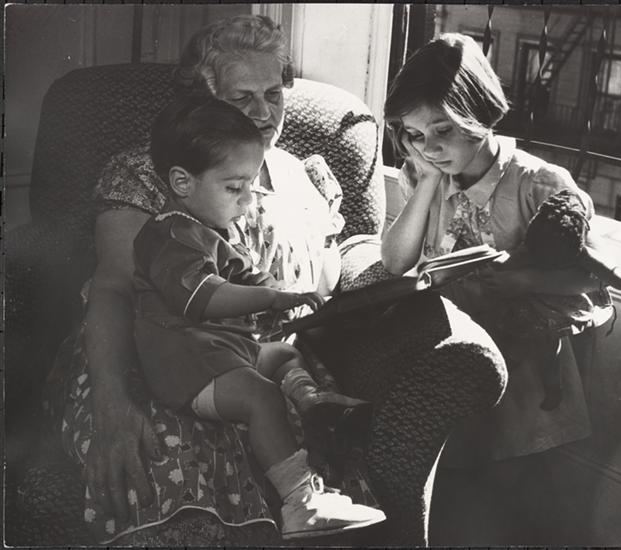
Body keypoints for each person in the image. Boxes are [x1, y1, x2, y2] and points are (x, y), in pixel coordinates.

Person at [56, 15, 380, 544]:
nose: (263, 113)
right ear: (203, 101)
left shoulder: (303, 177)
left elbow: (329, 274)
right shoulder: (151, 171)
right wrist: (111, 402)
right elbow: (113, 289)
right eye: (242, 97)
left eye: (273, 94)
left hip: (260, 354)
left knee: (315, 447)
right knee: (168, 463)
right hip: (158, 353)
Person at [131, 94, 383, 539]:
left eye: (250, 184)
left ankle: (312, 401)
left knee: (283, 354)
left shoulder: (213, 230)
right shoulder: (168, 234)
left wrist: (277, 291)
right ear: (182, 182)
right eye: (234, 188)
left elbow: (244, 275)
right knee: (262, 397)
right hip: (186, 365)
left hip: (221, 351)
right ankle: (301, 504)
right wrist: (268, 297)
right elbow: (204, 299)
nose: (248, 201)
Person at [382, 33, 602, 474]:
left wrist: (523, 280)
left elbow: (597, 277)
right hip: (455, 356)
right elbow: (394, 261)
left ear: (479, 113)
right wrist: (428, 182)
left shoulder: (537, 183)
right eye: (416, 135)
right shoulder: (426, 172)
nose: (429, 148)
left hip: (526, 367)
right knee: (453, 473)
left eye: (443, 131)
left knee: (511, 481)